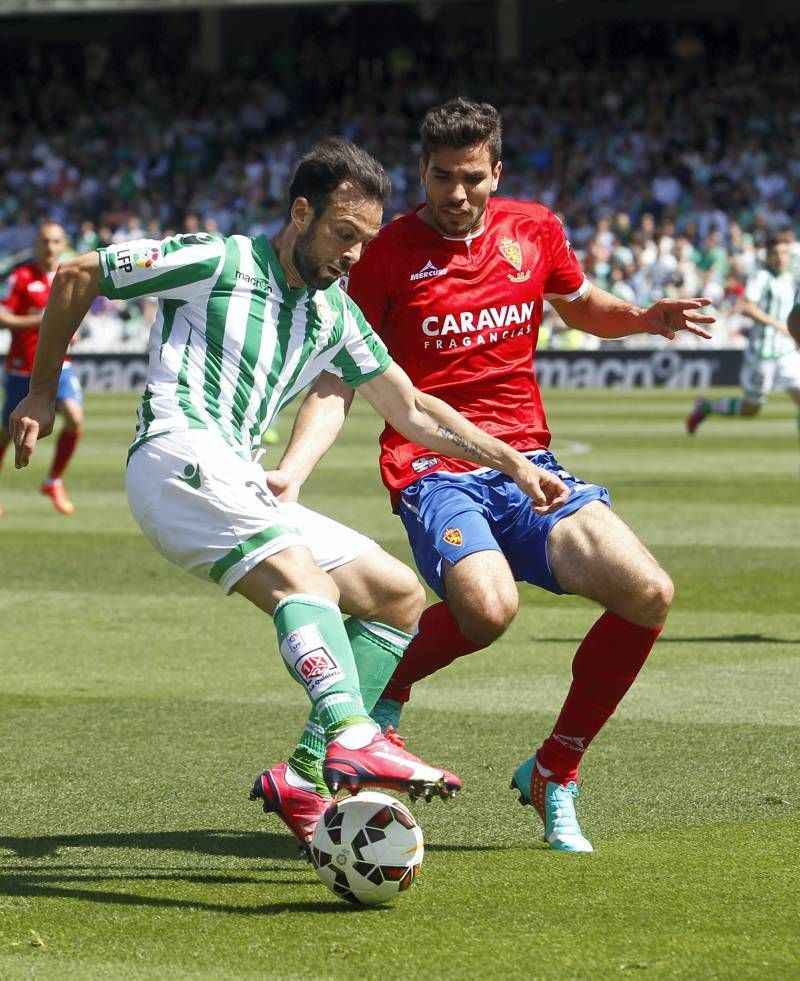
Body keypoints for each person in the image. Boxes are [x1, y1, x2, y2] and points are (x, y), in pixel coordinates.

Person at [10, 137, 570, 855]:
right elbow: (76, 275)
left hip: (237, 476)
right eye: (343, 235)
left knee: (395, 595)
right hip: (177, 455)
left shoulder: (335, 312)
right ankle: (354, 733)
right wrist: (41, 390)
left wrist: (512, 462)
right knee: (305, 581)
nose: (353, 256)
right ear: (301, 212)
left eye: (365, 242)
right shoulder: (220, 261)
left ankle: (303, 777)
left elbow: (415, 409)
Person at [264, 100, 714, 854]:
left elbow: (577, 304)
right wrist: (292, 469)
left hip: (529, 463)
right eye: (441, 177)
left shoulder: (533, 229)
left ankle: (554, 770)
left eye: (471, 178)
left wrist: (644, 317)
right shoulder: (384, 252)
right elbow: (342, 374)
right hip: (433, 465)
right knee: (488, 608)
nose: (456, 193)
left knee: (648, 593)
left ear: (496, 172)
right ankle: (384, 685)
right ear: (422, 173)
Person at [0, 222, 83, 515]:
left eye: (55, 241)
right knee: (6, 432)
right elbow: (2, 316)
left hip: (61, 365)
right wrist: (43, 322)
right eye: (45, 241)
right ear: (36, 245)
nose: (50, 247)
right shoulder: (21, 277)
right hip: (23, 367)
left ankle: (53, 481)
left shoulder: (69, 276)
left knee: (74, 418)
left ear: (64, 245)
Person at [687, 234, 800, 439]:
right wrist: (778, 325)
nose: (780, 258)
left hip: (787, 352)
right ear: (768, 256)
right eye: (775, 254)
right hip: (762, 353)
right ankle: (707, 407)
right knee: (751, 409)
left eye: (784, 253)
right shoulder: (762, 277)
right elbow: (745, 306)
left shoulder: (789, 277)